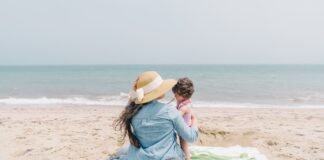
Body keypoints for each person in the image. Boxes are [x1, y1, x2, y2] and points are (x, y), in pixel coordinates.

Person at [113, 71, 198, 160]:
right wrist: (194, 119)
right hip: (168, 157)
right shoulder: (169, 111)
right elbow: (191, 137)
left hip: (140, 157)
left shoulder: (132, 112)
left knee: (122, 151)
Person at [172, 78, 195, 160]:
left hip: (184, 129)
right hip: (183, 126)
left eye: (176, 95)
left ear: (184, 95)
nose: (174, 96)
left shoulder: (184, 107)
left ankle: (187, 158)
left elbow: (176, 116)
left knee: (184, 146)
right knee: (183, 145)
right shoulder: (184, 101)